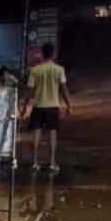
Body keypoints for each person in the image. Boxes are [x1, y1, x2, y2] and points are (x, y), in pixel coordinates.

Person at [21, 43, 72, 172]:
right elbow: (64, 89)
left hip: (38, 106)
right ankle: (52, 163)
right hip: (53, 107)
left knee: (36, 134)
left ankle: (35, 163)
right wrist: (68, 105)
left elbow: (30, 90)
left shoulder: (35, 70)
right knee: (52, 135)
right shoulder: (59, 70)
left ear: (42, 54)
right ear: (53, 54)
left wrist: (25, 106)